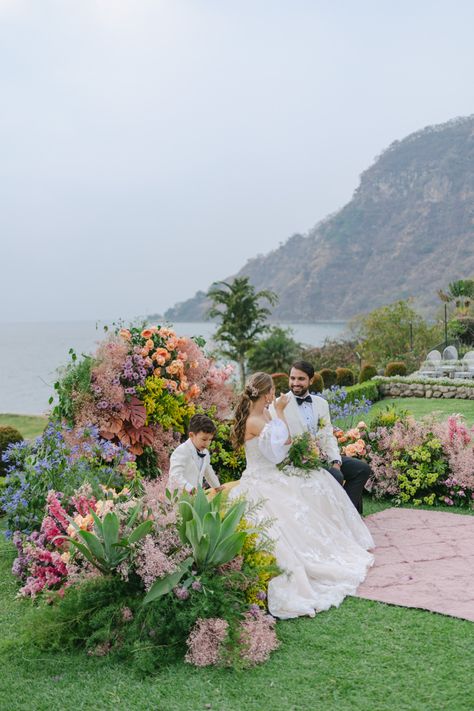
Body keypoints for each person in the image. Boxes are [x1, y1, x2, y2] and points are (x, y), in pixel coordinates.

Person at [229, 372, 374, 620]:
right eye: (273, 391)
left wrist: (276, 413)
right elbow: (282, 446)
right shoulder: (255, 420)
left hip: (272, 474)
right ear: (266, 394)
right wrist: (282, 413)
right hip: (261, 480)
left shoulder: (263, 412)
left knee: (316, 485)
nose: (275, 395)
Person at [269, 360, 371, 514]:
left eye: (301, 379)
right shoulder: (278, 405)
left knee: (361, 469)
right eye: (292, 378)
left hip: (322, 456)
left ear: (311, 380)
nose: (295, 383)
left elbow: (327, 436)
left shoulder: (321, 404)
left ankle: (348, 515)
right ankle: (334, 518)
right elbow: (277, 441)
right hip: (297, 462)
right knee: (336, 476)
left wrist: (335, 461)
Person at [168, 414, 220, 493]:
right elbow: (175, 475)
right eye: (204, 439)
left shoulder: (205, 452)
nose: (207, 443)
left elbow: (208, 471)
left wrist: (217, 486)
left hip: (195, 498)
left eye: (210, 440)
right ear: (191, 435)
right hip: (178, 497)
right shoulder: (181, 451)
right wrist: (190, 488)